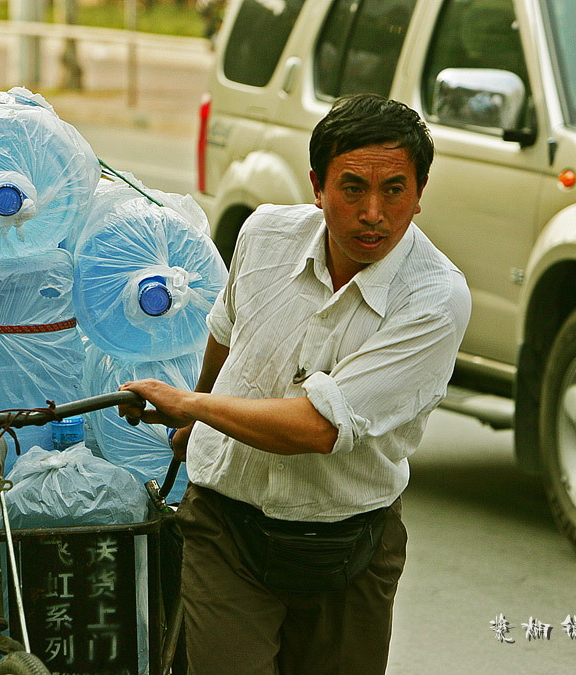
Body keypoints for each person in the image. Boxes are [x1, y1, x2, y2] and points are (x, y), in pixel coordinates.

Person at [118, 94, 471, 675]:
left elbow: (316, 427)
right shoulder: (265, 235)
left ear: (420, 191)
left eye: (394, 191)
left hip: (350, 543)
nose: (373, 213)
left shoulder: (434, 299)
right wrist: (192, 420)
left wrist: (194, 404)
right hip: (226, 524)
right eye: (353, 188)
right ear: (318, 185)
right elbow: (225, 333)